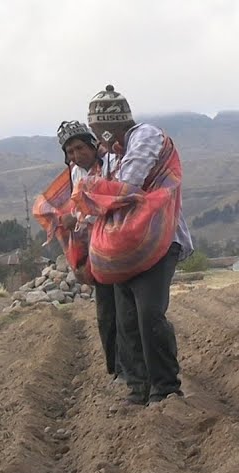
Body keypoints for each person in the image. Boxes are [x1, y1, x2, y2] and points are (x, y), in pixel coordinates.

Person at [75, 85, 191, 406]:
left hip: (159, 239)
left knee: (149, 315)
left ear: (109, 126)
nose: (97, 138)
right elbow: (103, 197)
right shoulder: (112, 154)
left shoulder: (146, 137)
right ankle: (138, 388)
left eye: (98, 130)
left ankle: (166, 387)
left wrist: (93, 189)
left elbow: (129, 186)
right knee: (126, 319)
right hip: (125, 247)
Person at [56, 120, 120, 381]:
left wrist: (80, 216)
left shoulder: (112, 164)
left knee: (128, 311)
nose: (76, 156)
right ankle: (117, 369)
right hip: (98, 248)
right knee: (106, 312)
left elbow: (114, 200)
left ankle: (138, 370)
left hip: (118, 241)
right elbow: (78, 205)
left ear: (93, 145)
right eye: (70, 152)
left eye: (80, 148)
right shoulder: (75, 173)